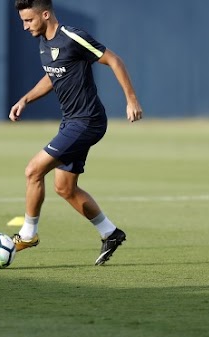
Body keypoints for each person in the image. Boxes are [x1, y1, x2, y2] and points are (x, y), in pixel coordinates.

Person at [10, 0, 143, 266]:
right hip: (71, 121)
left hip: (88, 121)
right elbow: (52, 76)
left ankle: (29, 234)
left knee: (33, 170)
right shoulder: (44, 44)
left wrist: (132, 100)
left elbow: (114, 60)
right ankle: (111, 233)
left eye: (29, 20)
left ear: (45, 14)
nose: (25, 27)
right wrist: (26, 99)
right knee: (64, 188)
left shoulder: (72, 37)